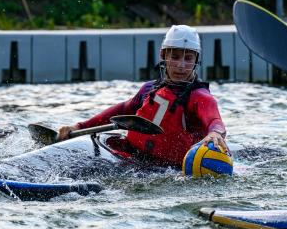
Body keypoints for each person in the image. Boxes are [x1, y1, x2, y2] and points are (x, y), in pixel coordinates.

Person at [58, 25, 227, 168]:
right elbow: (122, 110)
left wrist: (215, 133)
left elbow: (214, 121)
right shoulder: (149, 89)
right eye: (175, 57)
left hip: (166, 170)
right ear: (163, 56)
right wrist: (79, 127)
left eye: (188, 58)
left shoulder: (200, 97)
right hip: (130, 158)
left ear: (196, 60)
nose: (181, 65)